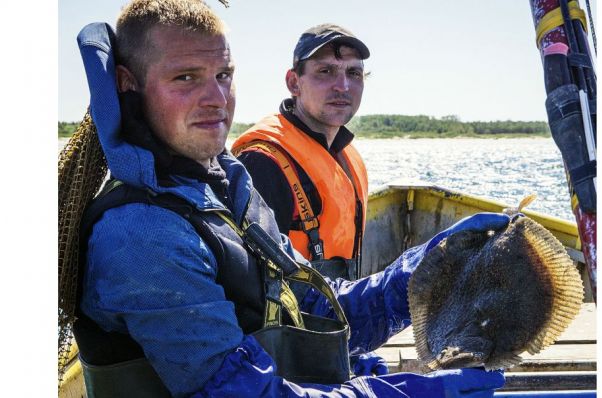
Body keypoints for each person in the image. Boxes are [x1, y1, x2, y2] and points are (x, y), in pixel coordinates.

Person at [70, 1, 510, 397]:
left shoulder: (223, 187)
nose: (217, 99)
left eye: (224, 76)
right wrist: (392, 394)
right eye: (186, 78)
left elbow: (315, 308)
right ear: (129, 85)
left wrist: (426, 268)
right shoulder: (141, 235)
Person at [232, 24, 369, 284]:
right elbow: (249, 287)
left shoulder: (348, 157)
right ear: (294, 82)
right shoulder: (263, 163)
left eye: (354, 73)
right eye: (325, 71)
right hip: (288, 322)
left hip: (340, 311)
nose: (343, 86)